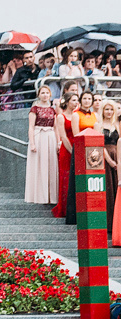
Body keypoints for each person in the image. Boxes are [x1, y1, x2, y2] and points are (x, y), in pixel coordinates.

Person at [67, 90, 99, 225]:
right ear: (81, 100)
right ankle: (74, 215)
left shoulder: (95, 115)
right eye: (84, 98)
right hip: (81, 149)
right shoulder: (76, 115)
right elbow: (76, 135)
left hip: (94, 151)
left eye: (89, 98)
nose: (87, 101)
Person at [25, 85, 58, 204]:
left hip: (50, 136)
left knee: (51, 165)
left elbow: (56, 127)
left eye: (47, 93)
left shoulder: (53, 110)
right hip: (39, 136)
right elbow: (31, 127)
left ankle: (51, 196)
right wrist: (32, 143)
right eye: (42, 93)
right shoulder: (34, 109)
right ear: (39, 94)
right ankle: (38, 196)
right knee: (39, 165)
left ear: (50, 95)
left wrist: (58, 142)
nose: (45, 95)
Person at [101, 100, 119, 232]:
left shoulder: (116, 125)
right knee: (108, 188)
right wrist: (109, 161)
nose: (109, 112)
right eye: (107, 109)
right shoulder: (98, 125)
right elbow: (99, 145)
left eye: (111, 109)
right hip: (105, 158)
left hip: (117, 155)